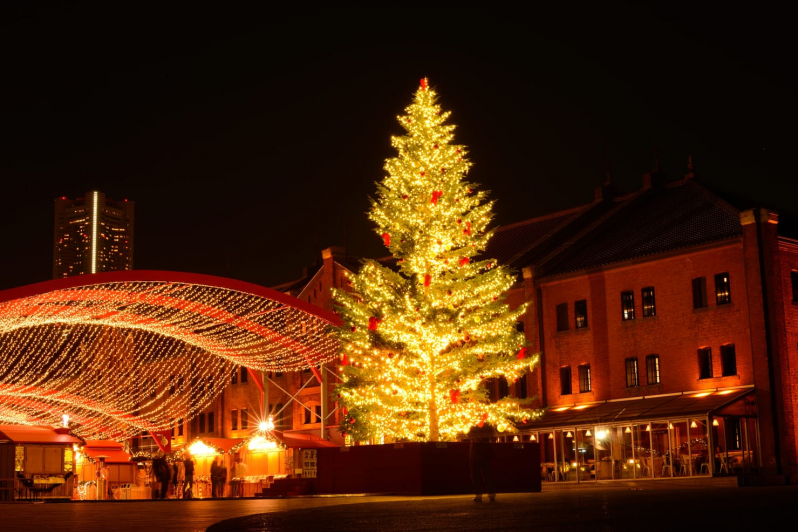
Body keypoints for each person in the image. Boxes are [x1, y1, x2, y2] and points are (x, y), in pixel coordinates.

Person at [468, 424, 496, 502]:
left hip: (475, 454)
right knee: (487, 475)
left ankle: (479, 496)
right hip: (485, 454)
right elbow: (492, 435)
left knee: (476, 476)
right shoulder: (488, 426)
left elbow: (468, 435)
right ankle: (491, 495)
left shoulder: (473, 425)